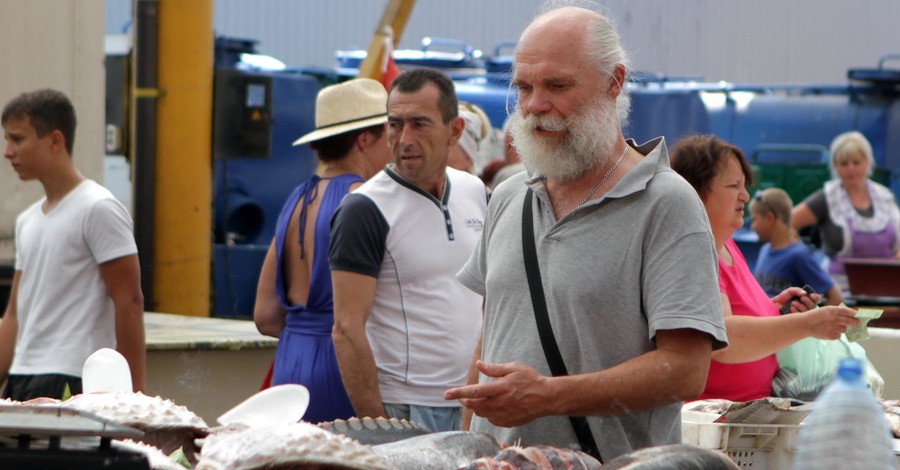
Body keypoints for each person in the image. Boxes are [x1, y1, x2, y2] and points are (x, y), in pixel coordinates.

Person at [444, 5, 729, 461]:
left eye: (557, 85)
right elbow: (493, 333)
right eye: (523, 87)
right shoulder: (509, 194)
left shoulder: (666, 202)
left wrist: (549, 396)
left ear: (614, 82)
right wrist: (468, 448)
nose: (534, 105)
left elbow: (686, 369)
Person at [329, 68, 488, 432]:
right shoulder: (365, 208)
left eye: (419, 124)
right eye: (395, 124)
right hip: (404, 407)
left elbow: (489, 300)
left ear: (455, 131)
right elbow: (346, 329)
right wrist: (381, 427)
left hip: (475, 402)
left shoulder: (475, 191)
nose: (404, 139)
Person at [669, 134, 859, 402]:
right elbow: (723, 337)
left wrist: (773, 309)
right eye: (734, 185)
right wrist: (806, 324)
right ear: (696, 191)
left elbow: (730, 311)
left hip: (749, 412)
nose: (745, 196)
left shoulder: (728, 246)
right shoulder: (693, 250)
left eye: (744, 185)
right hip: (715, 422)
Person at [253, 78, 393, 423]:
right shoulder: (368, 200)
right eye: (390, 133)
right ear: (364, 140)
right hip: (344, 365)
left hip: (290, 364)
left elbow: (265, 317)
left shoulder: (297, 197)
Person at [0, 89, 145, 400]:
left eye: (17, 139)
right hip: (22, 377)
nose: (7, 152)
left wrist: (134, 399)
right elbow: (14, 312)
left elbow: (129, 302)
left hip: (74, 377)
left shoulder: (98, 208)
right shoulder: (27, 220)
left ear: (55, 140)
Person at [792, 131, 900, 294]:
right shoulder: (826, 199)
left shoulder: (885, 197)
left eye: (856, 162)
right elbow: (786, 223)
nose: (851, 169)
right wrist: (803, 259)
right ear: (835, 166)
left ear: (867, 162)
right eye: (844, 163)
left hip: (887, 292)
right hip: (840, 294)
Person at [750, 187, 844, 305]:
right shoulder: (764, 250)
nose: (752, 226)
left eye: (754, 220)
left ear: (770, 218)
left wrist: (816, 322)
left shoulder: (799, 255)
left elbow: (836, 297)